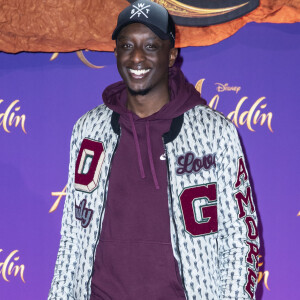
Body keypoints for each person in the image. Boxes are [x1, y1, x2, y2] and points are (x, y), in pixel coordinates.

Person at [48, 1, 260, 299]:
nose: (136, 57)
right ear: (116, 52)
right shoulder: (89, 130)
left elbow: (241, 240)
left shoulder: (213, 133)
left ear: (171, 54)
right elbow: (72, 234)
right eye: (126, 45)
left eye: (150, 46)